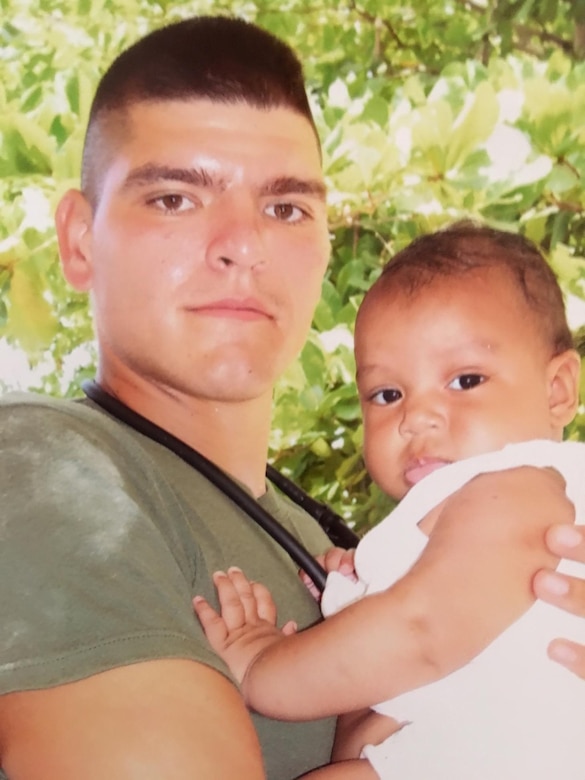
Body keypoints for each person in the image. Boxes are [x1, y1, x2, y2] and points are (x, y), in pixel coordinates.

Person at [0, 16, 584, 780]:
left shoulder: (327, 531)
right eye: (175, 198)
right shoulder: (43, 463)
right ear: (79, 242)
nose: (241, 242)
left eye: (285, 208)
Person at [195, 223, 585, 778]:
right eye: (387, 394)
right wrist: (361, 589)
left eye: (466, 380)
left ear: (558, 390)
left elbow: (419, 630)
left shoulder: (519, 488)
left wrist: (264, 666)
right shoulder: (463, 507)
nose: (415, 417)